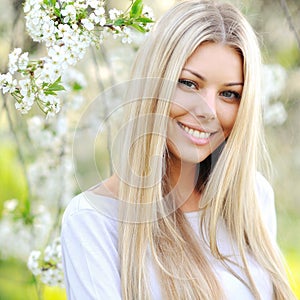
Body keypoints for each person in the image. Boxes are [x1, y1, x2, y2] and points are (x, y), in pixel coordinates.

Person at [61, 0, 296, 299]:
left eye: (229, 94)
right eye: (188, 83)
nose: (208, 110)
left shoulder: (253, 197)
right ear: (156, 82)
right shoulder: (93, 221)